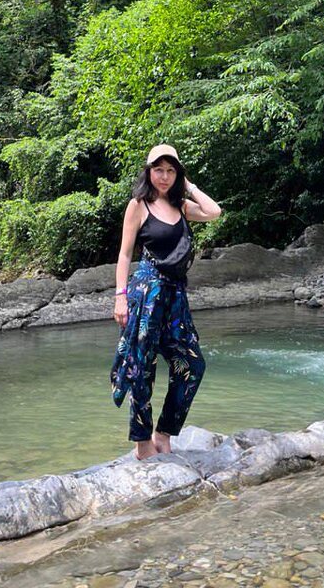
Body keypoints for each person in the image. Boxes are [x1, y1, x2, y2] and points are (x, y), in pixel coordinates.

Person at [110, 143, 223, 460]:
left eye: (171, 170)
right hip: (145, 293)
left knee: (192, 364)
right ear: (148, 172)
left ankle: (164, 432)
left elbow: (214, 212)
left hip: (175, 295)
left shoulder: (183, 206)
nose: (164, 176)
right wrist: (120, 297)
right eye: (158, 169)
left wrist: (189, 186)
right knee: (142, 367)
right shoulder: (138, 205)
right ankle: (142, 442)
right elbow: (124, 254)